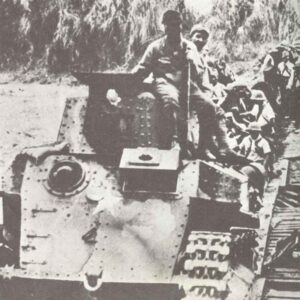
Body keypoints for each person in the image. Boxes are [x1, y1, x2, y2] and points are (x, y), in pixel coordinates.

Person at [133, 10, 232, 159]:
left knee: (208, 106)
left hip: (187, 84)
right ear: (164, 28)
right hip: (165, 82)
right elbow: (142, 69)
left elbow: (199, 72)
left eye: (175, 25)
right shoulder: (155, 47)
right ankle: (175, 144)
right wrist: (128, 80)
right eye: (169, 26)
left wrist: (192, 60)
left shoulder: (189, 46)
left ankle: (203, 148)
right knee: (171, 102)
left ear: (180, 27)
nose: (172, 29)